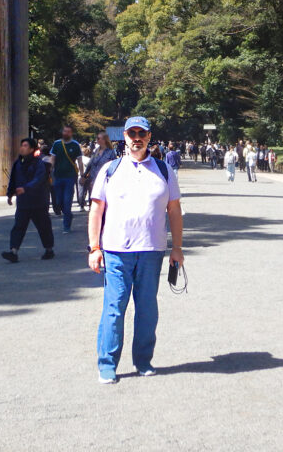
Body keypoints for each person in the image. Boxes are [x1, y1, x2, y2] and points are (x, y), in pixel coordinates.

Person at [88, 116, 183, 384]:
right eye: (132, 133)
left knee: (147, 309)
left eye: (142, 133)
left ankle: (143, 360)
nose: (137, 138)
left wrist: (177, 248)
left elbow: (174, 210)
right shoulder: (111, 169)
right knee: (114, 308)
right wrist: (94, 247)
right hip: (116, 251)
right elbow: (97, 209)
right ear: (125, 137)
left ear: (149, 137)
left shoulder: (164, 171)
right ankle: (107, 364)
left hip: (152, 250)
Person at [3, 138, 55, 263]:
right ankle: (13, 251)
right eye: (21, 145)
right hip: (23, 202)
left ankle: (49, 249)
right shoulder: (17, 163)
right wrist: (10, 194)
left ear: (32, 149)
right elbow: (13, 180)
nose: (22, 148)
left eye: (25, 146)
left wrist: (25, 188)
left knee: (43, 227)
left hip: (38, 201)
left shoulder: (39, 163)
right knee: (18, 227)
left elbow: (39, 179)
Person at [52, 125, 84, 233]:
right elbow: (53, 158)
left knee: (67, 201)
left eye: (68, 132)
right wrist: (49, 171)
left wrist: (82, 175)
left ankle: (66, 226)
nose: (66, 133)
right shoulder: (57, 144)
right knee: (58, 201)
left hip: (70, 177)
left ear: (71, 133)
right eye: (65, 131)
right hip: (58, 175)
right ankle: (68, 214)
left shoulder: (75, 145)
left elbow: (79, 161)